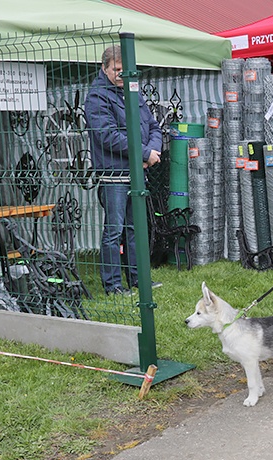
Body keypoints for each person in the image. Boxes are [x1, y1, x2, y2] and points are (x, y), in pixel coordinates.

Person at [85, 45, 162, 295]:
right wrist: (143, 153)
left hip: (138, 172)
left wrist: (151, 153)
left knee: (135, 229)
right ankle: (113, 286)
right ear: (104, 68)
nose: (121, 74)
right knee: (114, 232)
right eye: (116, 69)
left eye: (125, 69)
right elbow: (106, 136)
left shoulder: (133, 91)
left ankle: (138, 280)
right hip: (114, 176)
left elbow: (153, 126)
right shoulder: (97, 96)